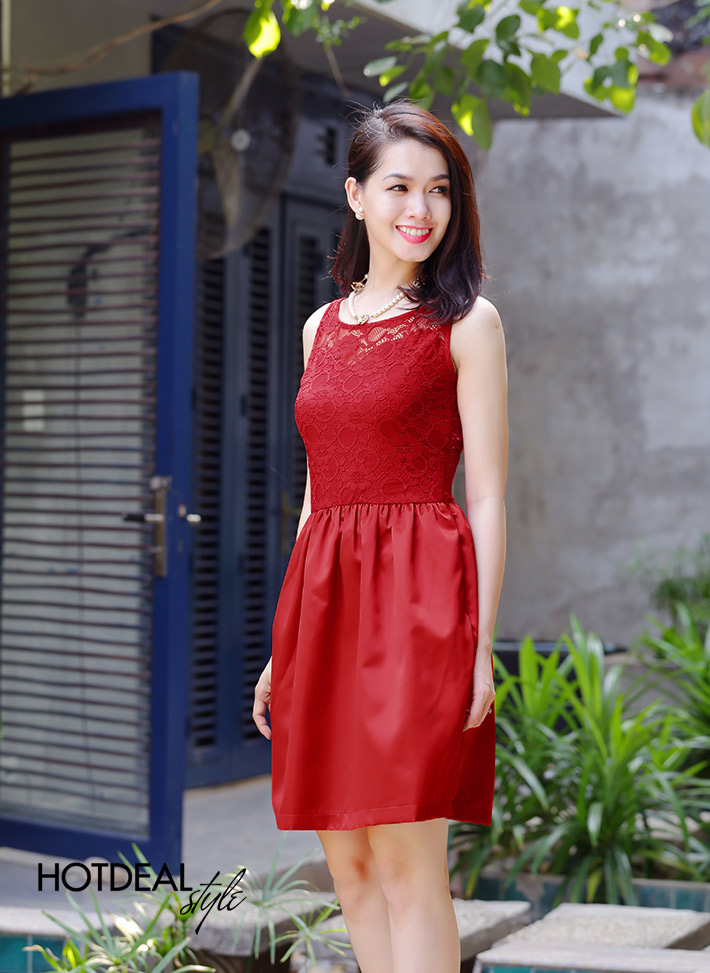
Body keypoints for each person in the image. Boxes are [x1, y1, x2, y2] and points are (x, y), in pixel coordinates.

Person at [253, 99, 508, 973]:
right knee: (350, 866)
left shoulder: (468, 322)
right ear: (357, 195)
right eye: (400, 186)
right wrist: (283, 644)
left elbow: (489, 493)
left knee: (407, 864)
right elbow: (318, 490)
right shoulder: (319, 328)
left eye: (440, 190)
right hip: (324, 602)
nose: (421, 209)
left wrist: (479, 644)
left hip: (419, 600)